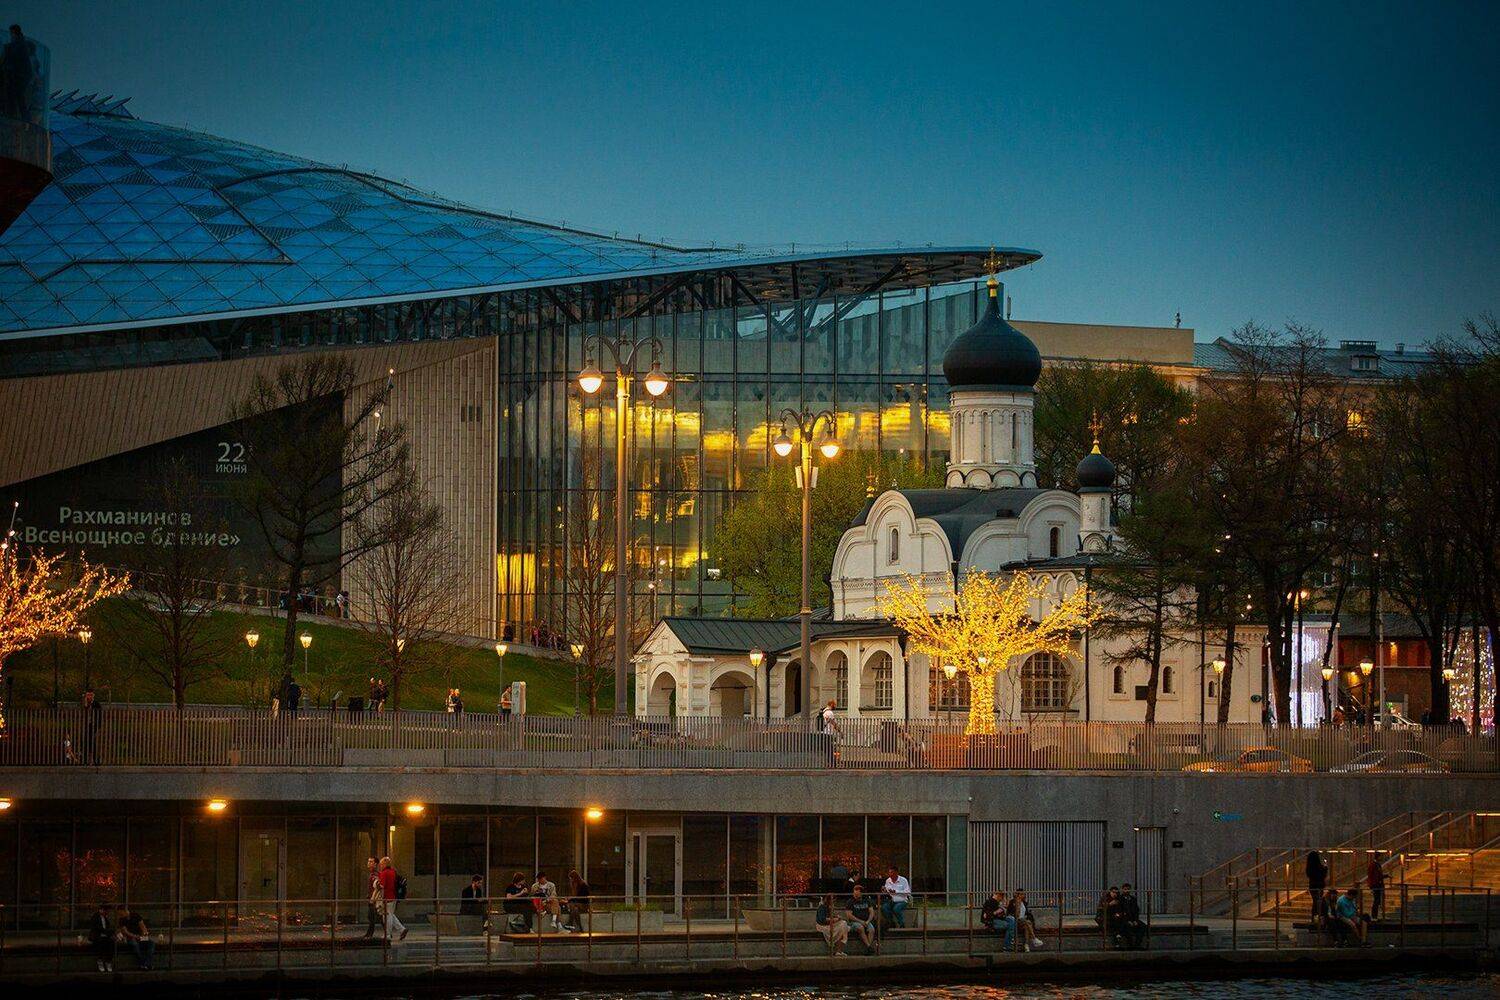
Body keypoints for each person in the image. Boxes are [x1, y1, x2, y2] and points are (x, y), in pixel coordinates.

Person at [2, 25, 38, 123]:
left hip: (19, 76)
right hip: (19, 75)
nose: (11, 35)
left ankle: (15, 115)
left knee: (17, 95)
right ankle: (17, 115)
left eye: (11, 33)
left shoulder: (19, 45)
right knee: (18, 96)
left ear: (14, 32)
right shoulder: (18, 44)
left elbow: (16, 59)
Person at [376, 856, 408, 940]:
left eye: (381, 864)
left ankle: (388, 934)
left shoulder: (384, 873)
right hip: (393, 896)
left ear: (385, 864)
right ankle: (401, 929)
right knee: (390, 915)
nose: (380, 865)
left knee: (387, 916)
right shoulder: (393, 871)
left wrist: (376, 884)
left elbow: (382, 886)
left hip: (386, 897)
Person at [844, 884, 877, 951]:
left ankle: (868, 948)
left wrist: (868, 921)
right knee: (860, 927)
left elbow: (871, 912)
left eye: (858, 892)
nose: (856, 894)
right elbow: (849, 915)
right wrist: (861, 921)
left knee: (872, 930)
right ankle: (869, 947)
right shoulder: (850, 902)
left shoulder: (867, 900)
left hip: (866, 921)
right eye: (855, 892)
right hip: (855, 922)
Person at [87, 901, 116, 972]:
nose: (108, 912)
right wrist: (110, 934)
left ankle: (108, 961)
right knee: (100, 942)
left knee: (111, 942)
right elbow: (99, 929)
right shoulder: (95, 917)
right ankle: (100, 960)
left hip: (104, 935)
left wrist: (112, 934)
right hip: (97, 935)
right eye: (106, 910)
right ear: (102, 910)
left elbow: (107, 928)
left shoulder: (105, 918)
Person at [1117, 883, 1145, 949]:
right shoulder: (1120, 899)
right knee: (1127, 927)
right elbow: (1120, 911)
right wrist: (1128, 920)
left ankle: (1137, 944)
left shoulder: (1133, 899)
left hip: (1133, 919)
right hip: (1124, 919)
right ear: (1122, 890)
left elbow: (1136, 910)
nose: (1127, 891)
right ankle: (1131, 945)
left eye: (1128, 889)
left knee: (1143, 926)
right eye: (1125, 889)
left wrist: (1135, 920)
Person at [80, 688, 102, 765]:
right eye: (87, 695)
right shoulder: (85, 703)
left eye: (90, 695)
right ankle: (90, 759)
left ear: (93, 695)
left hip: (94, 725)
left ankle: (94, 759)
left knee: (90, 741)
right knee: (87, 741)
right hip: (87, 725)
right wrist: (85, 704)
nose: (89, 697)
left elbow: (99, 716)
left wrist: (98, 727)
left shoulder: (96, 704)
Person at [361, 858, 382, 938]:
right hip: (372, 898)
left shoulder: (375, 875)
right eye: (368, 861)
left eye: (371, 861)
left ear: (375, 864)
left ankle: (370, 934)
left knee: (374, 916)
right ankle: (369, 933)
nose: (369, 863)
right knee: (373, 916)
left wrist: (372, 898)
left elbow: (376, 888)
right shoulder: (372, 874)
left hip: (374, 899)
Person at [1306, 850, 1329, 922]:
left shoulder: (1309, 867)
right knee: (1317, 902)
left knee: (1315, 902)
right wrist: (1325, 868)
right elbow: (1323, 876)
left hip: (1312, 886)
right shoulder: (1319, 867)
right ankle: (1318, 918)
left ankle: (1314, 918)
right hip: (1319, 886)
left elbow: (1309, 875)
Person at [1366, 851, 1385, 921]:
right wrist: (1371, 885)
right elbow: (1371, 875)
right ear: (1379, 857)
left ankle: (1375, 916)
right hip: (1376, 885)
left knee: (1378, 900)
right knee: (1376, 901)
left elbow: (1378, 875)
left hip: (1378, 884)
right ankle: (1374, 916)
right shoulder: (1373, 864)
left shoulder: (1377, 864)